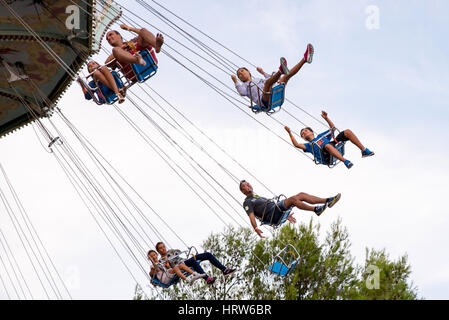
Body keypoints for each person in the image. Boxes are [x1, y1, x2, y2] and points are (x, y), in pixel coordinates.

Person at [239, 180, 341, 238]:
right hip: (273, 214)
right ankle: (316, 210)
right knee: (292, 200)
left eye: (248, 183)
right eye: (245, 186)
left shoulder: (258, 197)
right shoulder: (247, 202)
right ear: (243, 191)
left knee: (301, 195)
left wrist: (286, 216)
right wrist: (255, 228)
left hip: (276, 210)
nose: (248, 185)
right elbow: (251, 217)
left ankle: (327, 200)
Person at [231, 44, 314, 110]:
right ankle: (280, 71)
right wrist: (235, 81)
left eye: (242, 71)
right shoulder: (244, 86)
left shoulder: (257, 79)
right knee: (268, 83)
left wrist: (262, 72)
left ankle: (305, 59)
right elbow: (242, 93)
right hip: (264, 100)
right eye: (239, 75)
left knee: (285, 77)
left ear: (248, 71)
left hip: (272, 92)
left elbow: (270, 78)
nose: (241, 74)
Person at [285, 111, 375, 169]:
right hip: (324, 155)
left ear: (312, 132)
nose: (304, 133)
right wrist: (290, 133)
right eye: (303, 134)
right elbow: (296, 145)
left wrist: (326, 118)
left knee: (347, 132)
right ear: (303, 138)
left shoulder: (321, 136)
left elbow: (333, 129)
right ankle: (345, 161)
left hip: (331, 145)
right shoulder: (308, 145)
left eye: (306, 131)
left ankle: (364, 150)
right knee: (327, 146)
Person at [155, 242, 236, 285]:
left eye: (163, 247)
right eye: (160, 248)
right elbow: (169, 269)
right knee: (193, 262)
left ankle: (224, 270)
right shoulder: (161, 260)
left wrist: (175, 253)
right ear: (158, 251)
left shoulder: (171, 251)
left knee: (207, 254)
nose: (163, 249)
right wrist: (167, 261)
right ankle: (207, 278)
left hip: (184, 261)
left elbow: (178, 252)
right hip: (180, 266)